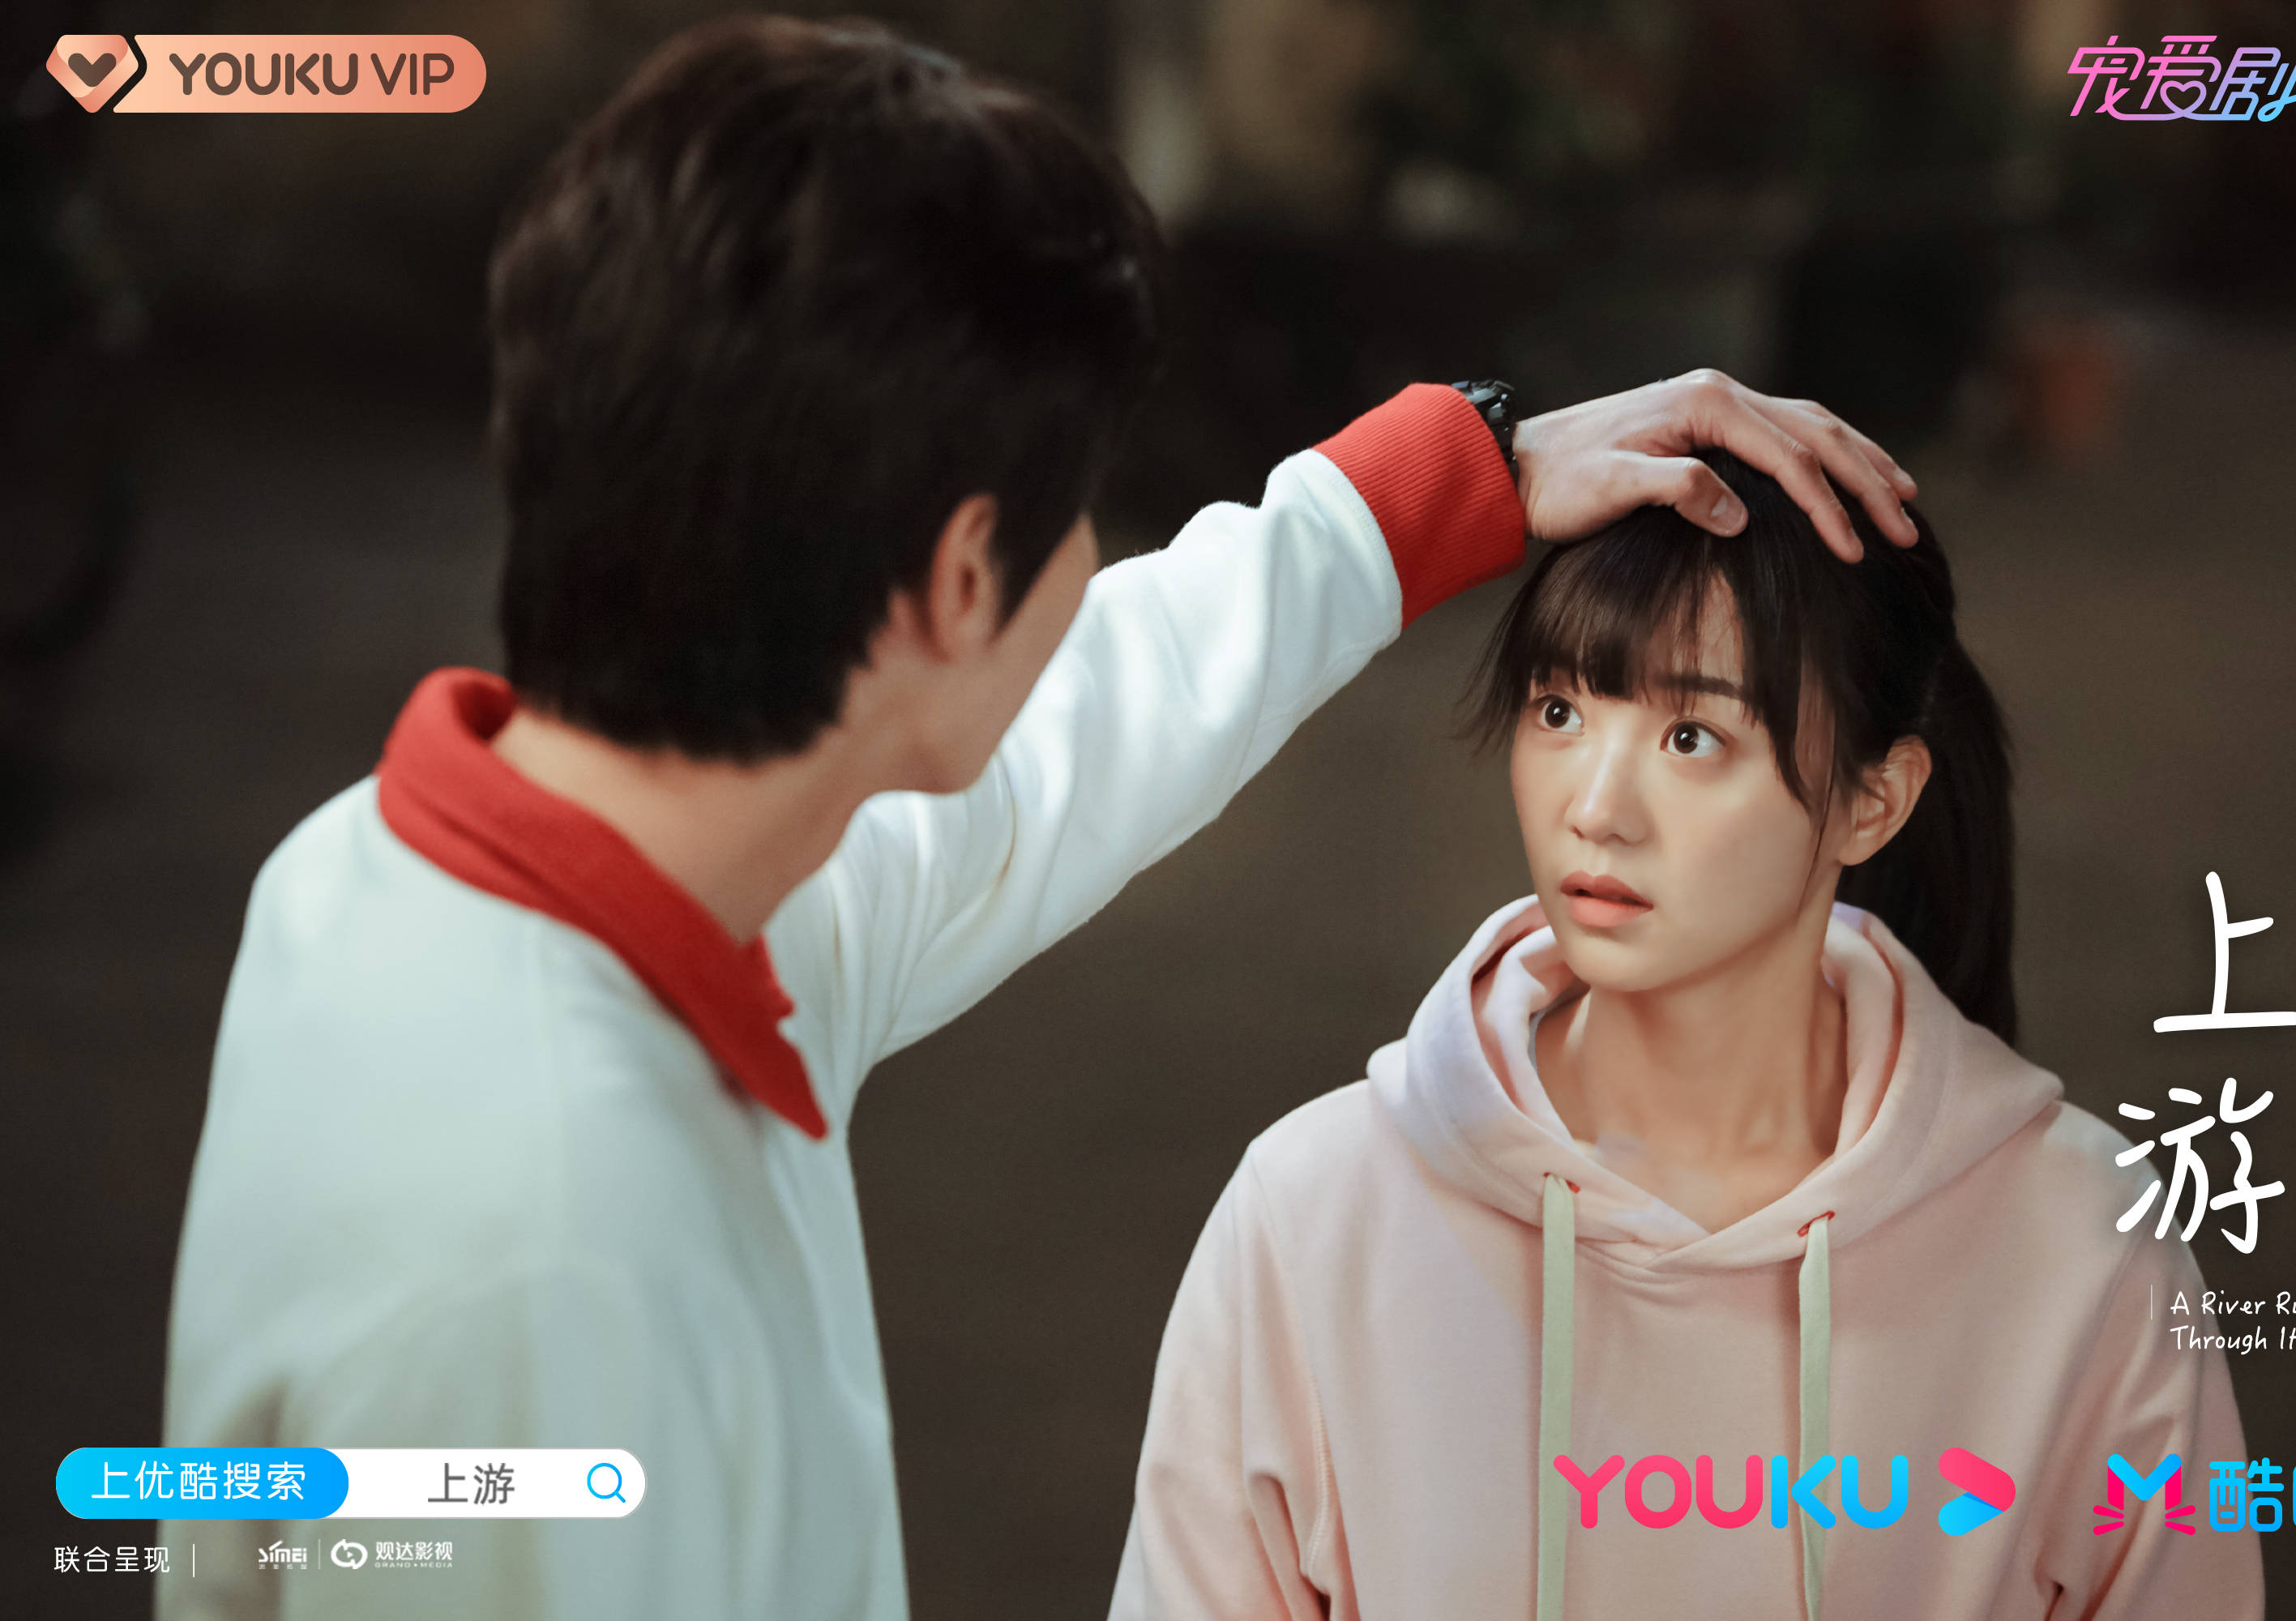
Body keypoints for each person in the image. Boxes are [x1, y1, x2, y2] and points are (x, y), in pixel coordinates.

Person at [157, 15, 1923, 1620]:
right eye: (1076, 519)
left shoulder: (456, 876)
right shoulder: (561, 1275)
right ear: (955, 584)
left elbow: (1073, 736)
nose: (1091, 570)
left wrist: (1452, 482)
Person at [1111, 450, 2265, 1619]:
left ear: (1873, 800)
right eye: (1559, 711)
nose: (1595, 809)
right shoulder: (1313, 1212)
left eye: (1692, 738)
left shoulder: (2081, 1241)